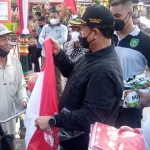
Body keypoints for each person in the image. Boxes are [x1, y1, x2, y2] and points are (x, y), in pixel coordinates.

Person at [35, 5, 123, 150]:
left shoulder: (104, 70)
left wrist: (53, 121)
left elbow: (91, 117)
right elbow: (75, 75)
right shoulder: (93, 54)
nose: (80, 34)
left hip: (82, 143)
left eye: (82, 30)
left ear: (95, 33)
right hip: (70, 138)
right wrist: (59, 54)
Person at [110, 0, 150, 128]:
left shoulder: (145, 40)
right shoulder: (109, 38)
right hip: (107, 103)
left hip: (131, 107)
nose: (114, 20)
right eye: (112, 17)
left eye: (117, 16)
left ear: (130, 14)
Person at [0, 24, 28, 150]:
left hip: (10, 125)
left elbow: (21, 85)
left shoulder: (15, 62)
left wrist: (23, 99)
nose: (8, 43)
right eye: (3, 39)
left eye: (9, 39)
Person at [39, 9, 68, 101]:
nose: (52, 19)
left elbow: (64, 39)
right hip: (45, 55)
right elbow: (41, 37)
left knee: (56, 76)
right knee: (44, 75)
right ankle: (45, 94)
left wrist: (52, 43)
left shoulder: (63, 28)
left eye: (54, 17)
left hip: (56, 56)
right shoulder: (46, 27)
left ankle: (58, 97)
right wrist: (44, 43)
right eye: (51, 17)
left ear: (59, 17)